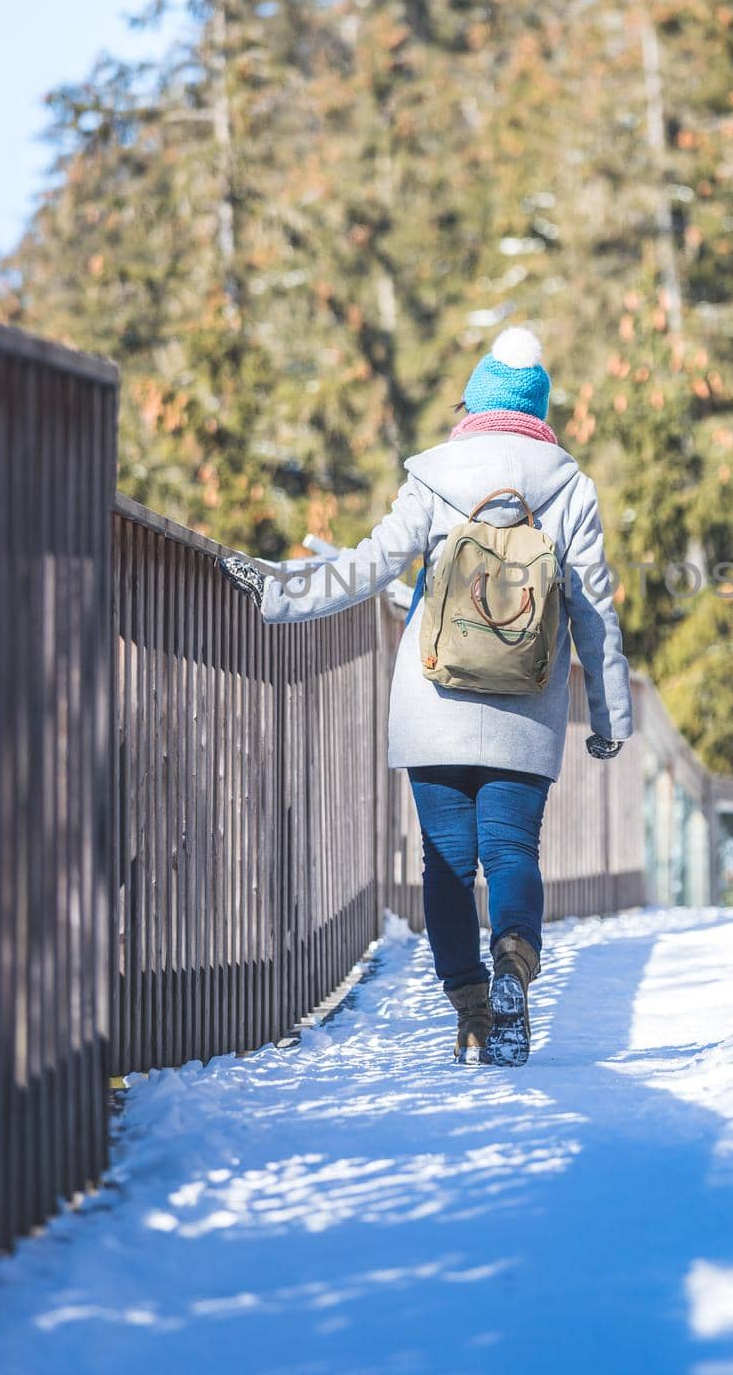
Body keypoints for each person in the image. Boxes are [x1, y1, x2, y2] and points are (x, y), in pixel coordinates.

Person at [220, 328, 632, 1066]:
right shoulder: (572, 487)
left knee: (444, 865)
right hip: (526, 704)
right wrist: (607, 717)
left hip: (432, 699)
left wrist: (277, 591)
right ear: (539, 411)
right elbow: (593, 608)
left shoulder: (434, 475)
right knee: (511, 852)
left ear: (472, 403)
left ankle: (472, 1011)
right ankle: (513, 961)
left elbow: (366, 568)